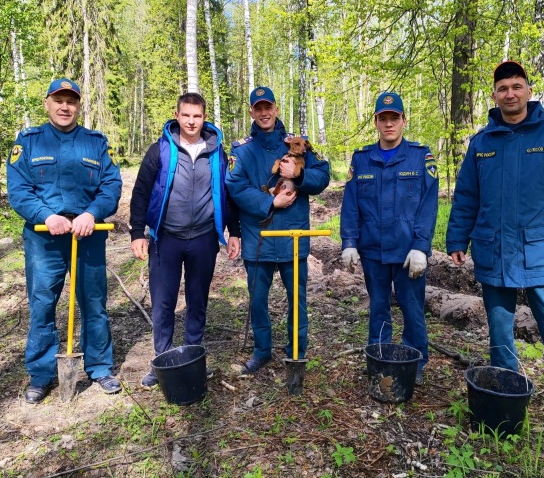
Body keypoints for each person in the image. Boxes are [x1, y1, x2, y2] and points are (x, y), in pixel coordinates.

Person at [446, 60, 544, 421]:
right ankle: (505, 396)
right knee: (500, 330)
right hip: (493, 250)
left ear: (528, 90)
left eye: (516, 86)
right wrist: (457, 239)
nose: (510, 94)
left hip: (541, 251)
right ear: (495, 95)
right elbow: (467, 196)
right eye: (502, 88)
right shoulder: (482, 142)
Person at [7, 78, 123, 404]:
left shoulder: (96, 143)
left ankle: (99, 367)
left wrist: (92, 213)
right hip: (45, 239)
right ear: (47, 103)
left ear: (78, 105)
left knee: (94, 303)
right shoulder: (28, 142)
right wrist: (46, 216)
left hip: (88, 235)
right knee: (42, 304)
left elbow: (111, 186)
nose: (64, 107)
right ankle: (42, 374)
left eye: (71, 101)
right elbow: (18, 190)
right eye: (58, 100)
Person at [129, 92, 241, 388]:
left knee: (197, 301)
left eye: (197, 116)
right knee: (163, 302)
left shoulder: (217, 152)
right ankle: (161, 362)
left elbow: (227, 195)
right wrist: (137, 232)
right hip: (166, 238)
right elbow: (140, 192)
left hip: (203, 238)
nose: (192, 121)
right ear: (176, 116)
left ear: (205, 118)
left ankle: (193, 355)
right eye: (186, 115)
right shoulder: (160, 151)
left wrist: (234, 232)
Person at [225, 86, 330, 374]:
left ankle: (296, 350)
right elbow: (235, 186)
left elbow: (323, 176)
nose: (263, 113)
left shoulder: (298, 143)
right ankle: (261, 350)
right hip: (258, 236)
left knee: (297, 298)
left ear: (275, 108)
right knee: (258, 299)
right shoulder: (242, 150)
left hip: (293, 238)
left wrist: (300, 174)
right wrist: (270, 201)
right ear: (251, 112)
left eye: (267, 107)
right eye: (257, 108)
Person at [340, 92, 439, 384]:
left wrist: (422, 246)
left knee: (412, 308)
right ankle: (380, 356)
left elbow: (428, 206)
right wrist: (349, 242)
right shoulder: (362, 159)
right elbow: (351, 205)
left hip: (408, 251)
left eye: (394, 118)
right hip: (373, 251)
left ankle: (415, 362)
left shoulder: (420, 156)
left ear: (403, 121)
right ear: (376, 122)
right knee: (378, 306)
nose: (389, 124)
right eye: (383, 118)